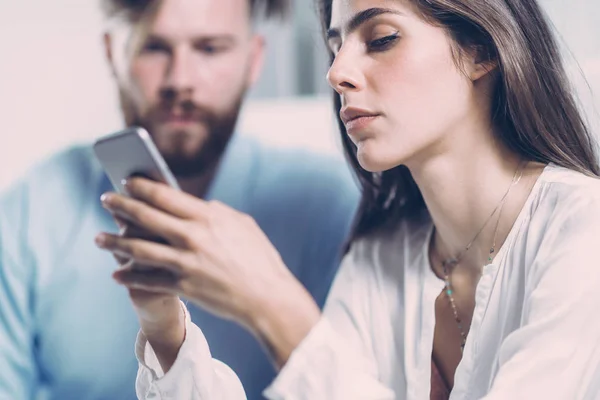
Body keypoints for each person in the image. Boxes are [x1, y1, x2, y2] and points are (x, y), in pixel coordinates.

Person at [97, 0, 600, 398]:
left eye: (380, 39)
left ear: (480, 50)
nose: (336, 72)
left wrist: (274, 304)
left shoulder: (583, 230)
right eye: (335, 45)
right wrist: (165, 329)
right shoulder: (380, 260)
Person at [0, 0, 360, 399]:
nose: (180, 79)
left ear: (254, 60)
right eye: (155, 47)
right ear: (111, 53)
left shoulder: (332, 207)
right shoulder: (28, 213)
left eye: (210, 48)